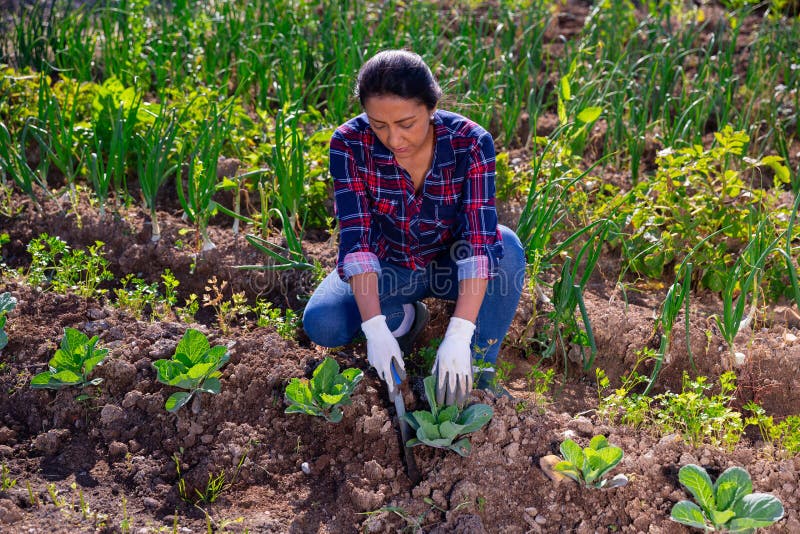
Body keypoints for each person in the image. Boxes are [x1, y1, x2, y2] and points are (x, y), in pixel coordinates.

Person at [303, 50, 526, 406]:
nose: (393, 139)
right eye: (379, 125)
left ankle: (479, 369)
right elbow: (356, 239)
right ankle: (403, 320)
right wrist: (374, 327)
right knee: (323, 323)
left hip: (449, 266)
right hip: (389, 266)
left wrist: (459, 331)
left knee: (507, 249)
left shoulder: (470, 142)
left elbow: (479, 243)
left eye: (406, 123)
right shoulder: (348, 143)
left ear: (432, 106)